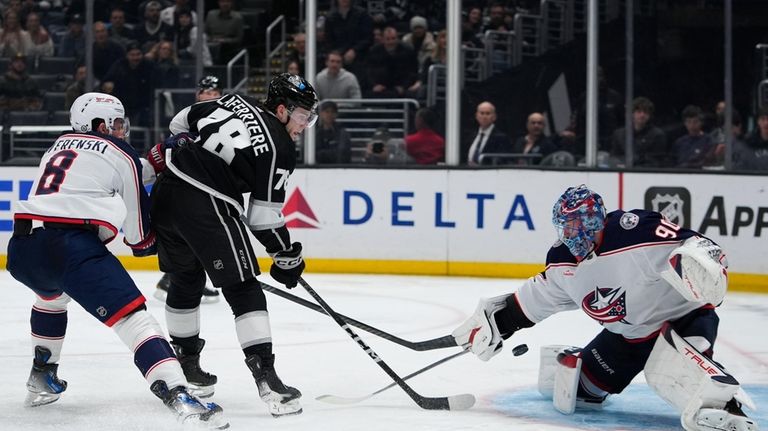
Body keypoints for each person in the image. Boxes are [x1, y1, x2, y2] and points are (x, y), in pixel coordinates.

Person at [453, 184, 758, 431]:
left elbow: (695, 245)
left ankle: (726, 409)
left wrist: (704, 265)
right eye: (565, 228)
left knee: (693, 390)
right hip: (627, 337)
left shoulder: (636, 231)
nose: (572, 235)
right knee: (581, 392)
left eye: (578, 225)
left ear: (596, 219)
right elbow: (536, 299)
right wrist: (497, 322)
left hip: (684, 321)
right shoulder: (562, 262)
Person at [6, 92, 227, 428]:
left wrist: (147, 166)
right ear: (100, 124)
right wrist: (159, 242)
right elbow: (138, 233)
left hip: (25, 247)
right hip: (72, 248)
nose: (123, 130)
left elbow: (99, 173)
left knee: (51, 296)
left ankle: (41, 376)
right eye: (118, 123)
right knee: (135, 321)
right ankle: (178, 393)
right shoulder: (120, 151)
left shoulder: (58, 145)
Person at [146, 73, 318, 417]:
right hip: (207, 204)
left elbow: (181, 120)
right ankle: (267, 378)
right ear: (282, 110)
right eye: (302, 116)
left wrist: (183, 145)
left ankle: (186, 367)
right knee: (243, 289)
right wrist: (286, 254)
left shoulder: (231, 101)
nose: (304, 125)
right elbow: (263, 218)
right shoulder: (280, 147)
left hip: (164, 197)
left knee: (186, 280)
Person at [154, 75, 223, 303]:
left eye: (215, 93)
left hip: (208, 184)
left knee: (199, 236)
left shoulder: (224, 121)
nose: (211, 97)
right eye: (207, 92)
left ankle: (180, 280)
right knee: (194, 233)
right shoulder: (188, 118)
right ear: (198, 95)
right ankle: (173, 279)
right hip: (187, 184)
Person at [609, 96, 667, 167]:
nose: (642, 115)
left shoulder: (657, 135)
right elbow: (614, 157)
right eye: (639, 112)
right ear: (632, 113)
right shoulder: (619, 134)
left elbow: (656, 162)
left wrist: (633, 167)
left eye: (645, 112)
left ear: (650, 115)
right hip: (622, 171)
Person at [466, 101, 512, 165]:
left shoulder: (501, 138)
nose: (484, 117)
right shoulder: (471, 136)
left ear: (494, 117)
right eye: (482, 113)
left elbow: (502, 161)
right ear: (476, 116)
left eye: (488, 113)